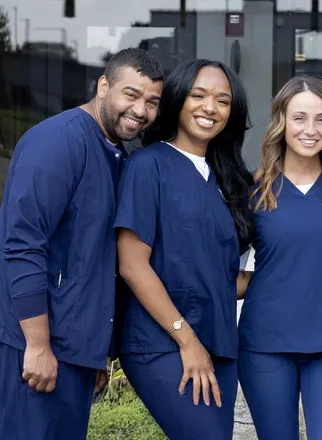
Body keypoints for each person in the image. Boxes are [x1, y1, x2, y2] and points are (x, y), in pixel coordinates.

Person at [0, 48, 164, 439]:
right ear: (103, 87)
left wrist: (95, 353)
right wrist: (37, 346)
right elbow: (23, 245)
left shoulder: (115, 153)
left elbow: (93, 259)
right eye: (131, 94)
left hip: (71, 341)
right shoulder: (57, 142)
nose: (140, 110)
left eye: (151, 102)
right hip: (28, 335)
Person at [113, 58, 253, 440]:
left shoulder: (227, 179)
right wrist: (187, 341)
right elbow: (132, 266)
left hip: (219, 343)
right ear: (177, 101)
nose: (210, 107)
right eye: (199, 95)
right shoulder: (147, 166)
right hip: (163, 344)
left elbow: (216, 274)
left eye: (222, 101)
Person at [236, 76, 322, 439]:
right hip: (264, 347)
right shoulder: (253, 190)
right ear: (281, 122)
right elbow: (233, 272)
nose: (310, 129)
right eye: (299, 117)